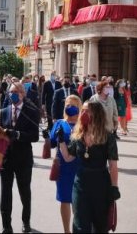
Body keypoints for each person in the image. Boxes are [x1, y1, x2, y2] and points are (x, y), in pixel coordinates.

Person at [59, 101, 120, 233]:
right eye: (83, 111)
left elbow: (113, 165)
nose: (83, 114)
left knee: (100, 226)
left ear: (96, 114)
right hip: (81, 185)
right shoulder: (77, 135)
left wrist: (114, 187)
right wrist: (61, 141)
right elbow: (68, 157)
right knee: (80, 224)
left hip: (101, 185)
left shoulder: (107, 136)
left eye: (87, 111)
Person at [0, 82, 40, 233]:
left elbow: (35, 136)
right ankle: (6, 225)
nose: (12, 94)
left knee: (24, 192)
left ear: (23, 94)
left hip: (23, 159)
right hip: (6, 158)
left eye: (16, 91)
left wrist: (18, 134)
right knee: (5, 192)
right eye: (10, 92)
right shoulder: (3, 112)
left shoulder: (31, 111)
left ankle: (26, 221)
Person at [49, 95, 82, 233]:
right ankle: (66, 231)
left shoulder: (84, 124)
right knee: (65, 199)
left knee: (79, 201)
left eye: (74, 105)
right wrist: (51, 135)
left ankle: (78, 228)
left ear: (79, 107)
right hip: (63, 167)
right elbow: (51, 144)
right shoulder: (59, 123)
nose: (71, 107)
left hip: (80, 166)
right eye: (68, 105)